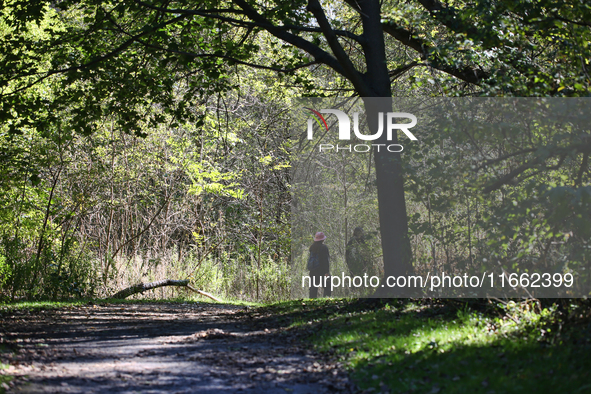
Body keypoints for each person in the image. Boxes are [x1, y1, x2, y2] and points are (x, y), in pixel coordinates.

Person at [308, 232, 331, 298]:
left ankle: (311, 301)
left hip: (313, 271)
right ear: (322, 239)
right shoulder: (324, 247)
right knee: (327, 286)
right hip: (322, 271)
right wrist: (327, 272)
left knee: (313, 288)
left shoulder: (312, 247)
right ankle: (326, 299)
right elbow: (326, 261)